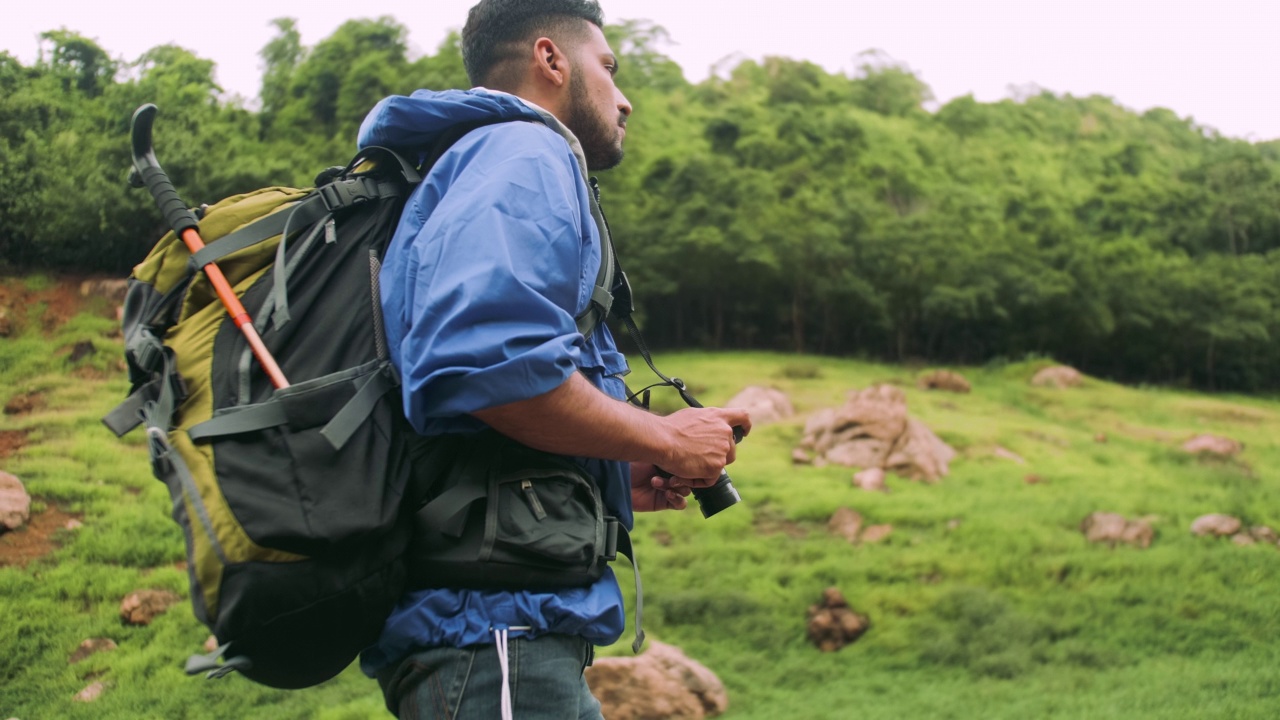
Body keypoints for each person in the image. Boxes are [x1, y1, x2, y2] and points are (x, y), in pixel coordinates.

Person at [355, 0, 751, 718]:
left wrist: (609, 476)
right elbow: (489, 369)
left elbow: (483, 399)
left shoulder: (481, 162)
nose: (624, 98)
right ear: (551, 59)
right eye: (610, 68)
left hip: (501, 632)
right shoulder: (524, 152)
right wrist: (667, 436)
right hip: (494, 633)